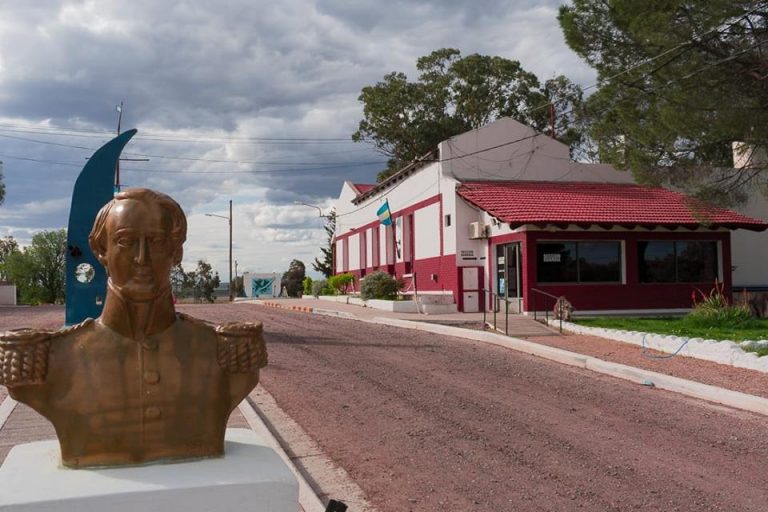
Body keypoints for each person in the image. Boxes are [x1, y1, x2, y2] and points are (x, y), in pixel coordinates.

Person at [0, 188, 266, 468]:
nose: (142, 258)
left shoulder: (226, 351)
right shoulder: (49, 358)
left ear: (176, 252)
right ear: (101, 251)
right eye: (125, 241)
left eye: (157, 242)